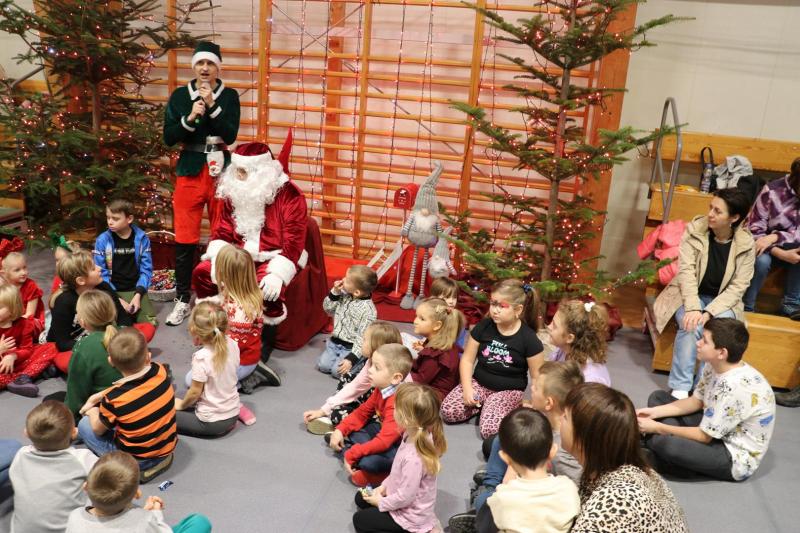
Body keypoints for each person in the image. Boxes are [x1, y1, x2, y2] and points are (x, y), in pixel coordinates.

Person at [191, 141, 308, 385]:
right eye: (236, 170)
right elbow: (222, 230)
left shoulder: (290, 195)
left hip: (274, 255)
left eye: (243, 171)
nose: (237, 176)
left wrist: (278, 273)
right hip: (237, 254)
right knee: (203, 273)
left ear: (260, 172)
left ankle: (258, 352)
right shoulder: (235, 190)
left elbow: (294, 242)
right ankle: (214, 333)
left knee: (266, 290)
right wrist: (218, 258)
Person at [448, 361, 584, 533]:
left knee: (485, 502)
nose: (531, 388)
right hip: (532, 468)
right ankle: (489, 485)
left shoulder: (563, 452)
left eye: (536, 387)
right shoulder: (549, 420)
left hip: (533, 492)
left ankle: (486, 495)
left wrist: (511, 478)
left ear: (549, 403)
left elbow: (562, 494)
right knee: (500, 439)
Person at [638, 318, 775, 481]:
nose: (698, 343)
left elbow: (704, 436)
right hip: (716, 428)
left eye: (704, 340)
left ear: (722, 353)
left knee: (668, 444)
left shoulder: (733, 387)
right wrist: (652, 413)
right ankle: (663, 450)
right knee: (658, 398)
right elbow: (695, 401)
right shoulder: (714, 364)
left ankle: (665, 456)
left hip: (731, 454)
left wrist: (657, 427)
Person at [163, 40, 240, 327]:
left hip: (221, 170)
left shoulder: (229, 96)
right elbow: (169, 137)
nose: (205, 68)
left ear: (217, 67)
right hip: (191, 169)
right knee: (185, 237)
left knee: (224, 234)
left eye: (210, 63)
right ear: (194, 66)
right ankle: (183, 298)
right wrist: (191, 117)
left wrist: (212, 106)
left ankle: (223, 297)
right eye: (200, 63)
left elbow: (230, 135)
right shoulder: (180, 96)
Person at [653, 188, 755, 399]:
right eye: (711, 208)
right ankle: (680, 387)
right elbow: (686, 273)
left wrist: (709, 312)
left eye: (718, 211)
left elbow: (738, 287)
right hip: (689, 295)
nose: (710, 214)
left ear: (734, 218)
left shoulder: (746, 244)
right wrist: (693, 308)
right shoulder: (695, 230)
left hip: (723, 302)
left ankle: (703, 389)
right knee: (690, 324)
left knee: (720, 331)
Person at [562, 383, 688, 533]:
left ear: (585, 437)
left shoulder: (613, 505)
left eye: (565, 417)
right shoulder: (625, 468)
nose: (560, 419)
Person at [440, 279, 544, 439]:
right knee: (448, 411)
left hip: (508, 391)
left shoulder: (529, 339)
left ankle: (495, 407)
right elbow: (467, 360)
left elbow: (538, 378)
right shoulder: (484, 326)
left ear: (518, 309)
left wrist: (532, 403)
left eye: (502, 306)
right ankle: (485, 405)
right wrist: (467, 388)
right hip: (479, 384)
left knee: (489, 430)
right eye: (493, 303)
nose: (495, 310)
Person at [77, 328, 176, 483]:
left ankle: (134, 469)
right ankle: (159, 462)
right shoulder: (160, 371)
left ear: (110, 361)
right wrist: (99, 395)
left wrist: (92, 411)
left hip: (136, 461)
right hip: (166, 448)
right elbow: (136, 387)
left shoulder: (114, 400)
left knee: (84, 425)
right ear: (148, 356)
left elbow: (97, 429)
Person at [352, 383, 446, 533]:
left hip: (409, 515)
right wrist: (383, 487)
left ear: (407, 419)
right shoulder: (411, 433)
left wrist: (381, 502)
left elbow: (405, 497)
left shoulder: (415, 458)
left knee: (360, 520)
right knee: (361, 497)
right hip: (398, 493)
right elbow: (396, 472)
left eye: (396, 408)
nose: (392, 410)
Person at [47, 251, 154, 373]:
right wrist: (97, 345)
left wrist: (120, 337)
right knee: (68, 361)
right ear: (81, 280)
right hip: (77, 341)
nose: (99, 268)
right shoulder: (64, 302)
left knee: (146, 329)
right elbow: (62, 342)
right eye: (93, 268)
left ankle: (108, 359)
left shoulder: (104, 287)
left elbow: (123, 319)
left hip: (103, 333)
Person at [476, 409, 579, 533]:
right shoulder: (569, 487)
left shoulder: (503, 497)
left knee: (482, 501)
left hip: (498, 510)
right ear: (553, 451)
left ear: (505, 458)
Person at [328, 343, 413, 487]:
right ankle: (353, 450)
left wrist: (353, 454)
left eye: (376, 368)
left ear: (395, 378)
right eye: (372, 365)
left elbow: (384, 442)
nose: (370, 370)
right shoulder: (382, 388)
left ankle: (382, 476)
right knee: (356, 429)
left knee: (369, 462)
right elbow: (362, 413)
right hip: (389, 436)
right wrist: (340, 430)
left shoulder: (397, 404)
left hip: (402, 449)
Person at [197, 244, 280, 391]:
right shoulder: (241, 294)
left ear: (224, 274)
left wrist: (208, 343)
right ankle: (241, 377)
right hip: (239, 354)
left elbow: (232, 347)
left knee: (197, 381)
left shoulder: (241, 312)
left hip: (239, 359)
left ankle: (247, 377)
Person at [66, 451, 212, 532]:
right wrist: (155, 514)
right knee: (199, 522)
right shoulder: (145, 521)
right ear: (137, 494)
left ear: (85, 487)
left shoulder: (74, 517)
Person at [9, 401, 97, 533]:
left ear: (26, 432)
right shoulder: (83, 458)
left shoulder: (21, 454)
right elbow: (110, 476)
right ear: (74, 433)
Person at [304, 321, 403, 435]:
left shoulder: (391, 376)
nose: (360, 343)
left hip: (379, 412)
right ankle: (340, 414)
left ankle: (345, 426)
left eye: (364, 340)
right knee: (347, 378)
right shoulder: (371, 362)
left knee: (340, 414)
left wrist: (324, 411)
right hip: (367, 400)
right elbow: (355, 386)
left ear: (376, 346)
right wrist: (323, 410)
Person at [175, 302, 248, 437]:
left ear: (194, 330)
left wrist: (181, 406)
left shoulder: (201, 357)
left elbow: (194, 393)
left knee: (163, 412)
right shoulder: (233, 344)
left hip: (211, 424)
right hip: (233, 413)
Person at [744, 157, 800, 319]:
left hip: (791, 248)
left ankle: (792, 304)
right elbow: (754, 230)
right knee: (761, 261)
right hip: (766, 249)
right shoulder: (772, 191)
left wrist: (775, 236)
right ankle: (747, 306)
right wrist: (779, 252)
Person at [93, 198, 157, 326]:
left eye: (115, 219)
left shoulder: (142, 238)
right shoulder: (102, 240)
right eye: (108, 217)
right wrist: (117, 299)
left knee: (150, 324)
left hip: (135, 289)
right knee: (116, 327)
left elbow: (146, 269)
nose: (110, 222)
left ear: (129, 219)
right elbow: (101, 273)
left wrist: (138, 295)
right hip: (112, 290)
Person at [63, 290, 123, 418]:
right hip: (136, 399)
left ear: (82, 321)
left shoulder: (84, 346)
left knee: (52, 400)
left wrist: (70, 420)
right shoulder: (128, 333)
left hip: (106, 411)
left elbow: (76, 393)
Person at [318, 265, 378, 378]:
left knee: (337, 373)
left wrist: (351, 359)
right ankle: (335, 356)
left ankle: (361, 361)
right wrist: (335, 293)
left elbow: (363, 337)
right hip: (335, 342)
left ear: (357, 292)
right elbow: (328, 309)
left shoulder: (368, 311)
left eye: (347, 280)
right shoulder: (343, 295)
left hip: (351, 348)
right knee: (323, 366)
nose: (343, 279)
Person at [0, 285, 58, 396]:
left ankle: (23, 378)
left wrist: (13, 356)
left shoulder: (24, 324)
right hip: (2, 367)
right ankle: (33, 374)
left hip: (20, 362)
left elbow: (27, 349)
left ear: (12, 309)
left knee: (52, 347)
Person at [410, 297, 464, 400]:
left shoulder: (435, 352)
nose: (415, 321)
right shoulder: (437, 342)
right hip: (430, 390)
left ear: (437, 325)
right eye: (416, 316)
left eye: (422, 319)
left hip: (434, 398)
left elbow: (419, 381)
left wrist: (400, 372)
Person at [546, 300, 611, 385]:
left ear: (569, 338)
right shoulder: (563, 351)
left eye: (554, 326)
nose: (548, 327)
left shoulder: (590, 380)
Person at [0, 241, 45, 338]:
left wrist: (10, 323)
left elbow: (30, 314)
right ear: (4, 273)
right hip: (9, 319)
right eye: (17, 270)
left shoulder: (31, 286)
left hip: (27, 320)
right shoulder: (4, 286)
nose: (23, 272)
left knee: (21, 328)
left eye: (24, 268)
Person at [429, 277, 468, 350]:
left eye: (454, 297)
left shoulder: (458, 320)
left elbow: (459, 348)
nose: (451, 301)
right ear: (434, 298)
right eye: (446, 297)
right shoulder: (429, 315)